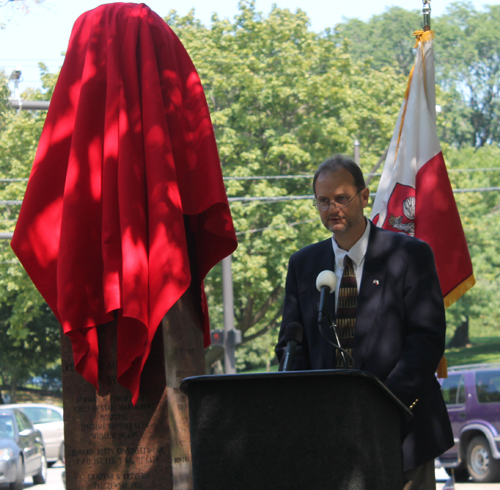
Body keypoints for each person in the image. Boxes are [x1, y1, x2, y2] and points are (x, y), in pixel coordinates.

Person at [275, 155, 453, 490]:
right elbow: (291, 343)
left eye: (342, 198)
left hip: (403, 430)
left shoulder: (408, 254)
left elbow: (426, 338)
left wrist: (382, 406)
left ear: (364, 196)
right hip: (329, 438)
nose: (333, 209)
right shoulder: (303, 264)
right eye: (323, 201)